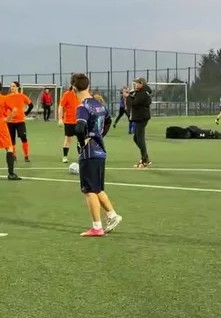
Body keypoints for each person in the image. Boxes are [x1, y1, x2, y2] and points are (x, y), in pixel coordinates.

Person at [71, 73, 122, 237]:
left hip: (89, 153)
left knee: (89, 190)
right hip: (100, 151)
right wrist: (99, 136)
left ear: (73, 89)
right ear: (89, 86)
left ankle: (97, 227)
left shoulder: (83, 107)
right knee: (97, 188)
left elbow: (79, 128)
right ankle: (112, 215)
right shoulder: (98, 104)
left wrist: (82, 143)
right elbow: (108, 120)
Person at [4, 81, 32, 162]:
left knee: (23, 137)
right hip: (10, 122)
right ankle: (14, 155)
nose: (12, 88)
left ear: (17, 87)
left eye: (14, 86)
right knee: (12, 139)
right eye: (11, 86)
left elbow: (31, 105)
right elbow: (3, 107)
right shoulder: (7, 97)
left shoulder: (22, 96)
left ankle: (26, 156)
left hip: (20, 121)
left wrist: (26, 113)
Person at [128, 77, 152, 168]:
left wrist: (128, 97)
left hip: (141, 117)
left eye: (137, 83)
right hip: (140, 117)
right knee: (136, 138)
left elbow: (135, 103)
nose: (135, 84)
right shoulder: (141, 92)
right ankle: (145, 156)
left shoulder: (143, 93)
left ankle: (144, 159)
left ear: (141, 83)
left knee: (140, 138)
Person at [58, 84, 81, 163]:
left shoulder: (81, 94)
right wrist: (60, 119)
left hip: (80, 121)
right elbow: (61, 106)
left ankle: (81, 157)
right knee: (68, 139)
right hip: (69, 121)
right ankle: (65, 156)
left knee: (80, 140)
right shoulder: (67, 94)